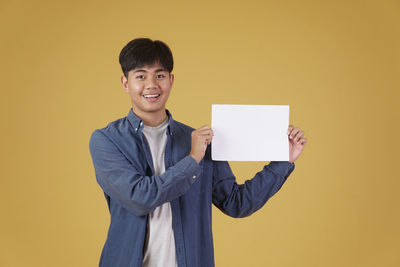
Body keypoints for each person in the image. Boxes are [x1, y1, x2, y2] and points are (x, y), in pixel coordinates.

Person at [89, 38, 307, 267]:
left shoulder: (198, 141)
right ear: (125, 83)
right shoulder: (107, 140)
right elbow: (140, 198)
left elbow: (236, 203)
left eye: (160, 75)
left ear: (171, 81)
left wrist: (283, 161)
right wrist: (192, 160)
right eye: (141, 76)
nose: (151, 84)